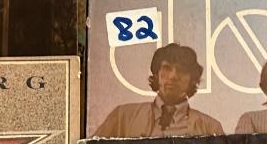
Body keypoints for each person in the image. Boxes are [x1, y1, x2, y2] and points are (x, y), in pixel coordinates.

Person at [93, 43, 223, 138]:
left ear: (192, 79)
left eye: (182, 70)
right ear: (157, 74)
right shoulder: (123, 117)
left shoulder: (210, 128)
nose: (173, 76)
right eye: (167, 68)